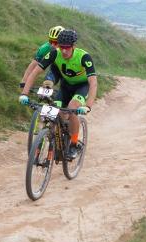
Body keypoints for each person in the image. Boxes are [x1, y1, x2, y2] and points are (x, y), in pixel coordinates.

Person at [19, 29, 97, 159]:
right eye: (62, 47)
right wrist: (24, 94)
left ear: (73, 46)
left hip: (82, 87)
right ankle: (51, 137)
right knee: (55, 110)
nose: (64, 51)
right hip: (65, 86)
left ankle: (73, 144)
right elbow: (35, 72)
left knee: (72, 109)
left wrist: (88, 106)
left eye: (67, 48)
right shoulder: (55, 53)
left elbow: (93, 83)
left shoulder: (84, 57)